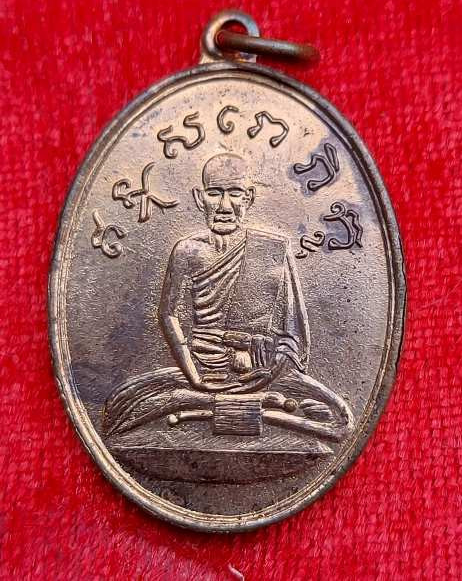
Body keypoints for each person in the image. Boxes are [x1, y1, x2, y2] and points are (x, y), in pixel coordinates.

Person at [104, 154, 353, 441]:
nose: (224, 206)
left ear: (249, 197)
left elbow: (292, 330)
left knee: (339, 416)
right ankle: (213, 400)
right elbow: (167, 313)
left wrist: (273, 367)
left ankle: (214, 403)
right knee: (122, 407)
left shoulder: (272, 249)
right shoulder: (187, 250)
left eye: (234, 193)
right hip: (204, 366)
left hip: (262, 370)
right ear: (200, 198)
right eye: (214, 193)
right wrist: (193, 374)